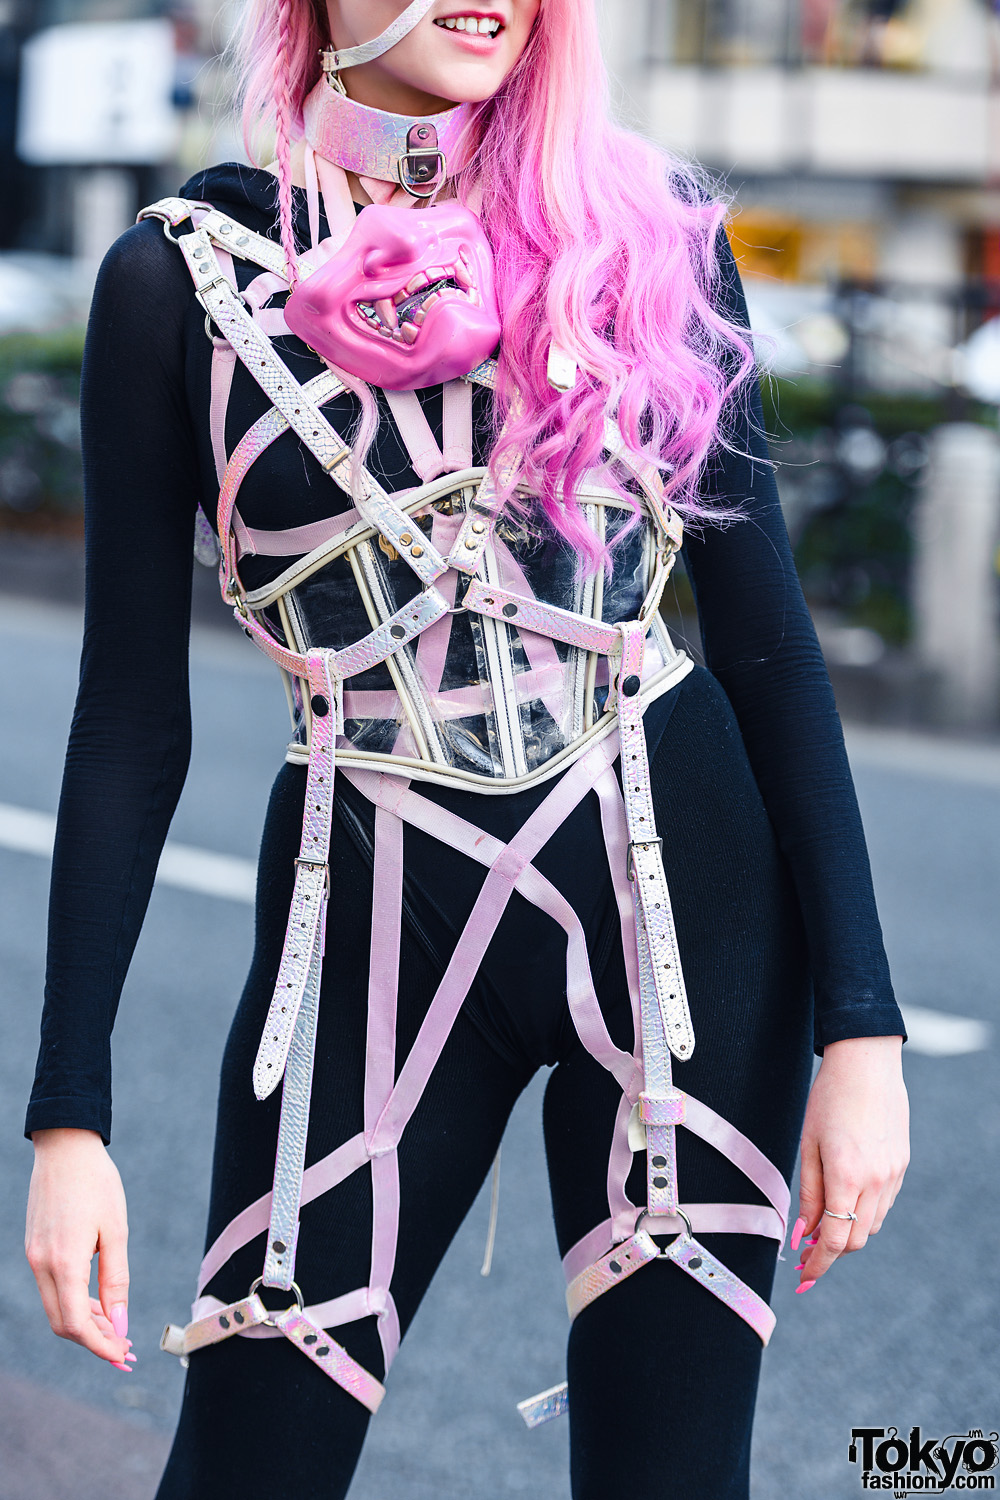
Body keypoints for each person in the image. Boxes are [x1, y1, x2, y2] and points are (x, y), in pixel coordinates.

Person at [23, 3, 910, 1497]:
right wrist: (68, 1116)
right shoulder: (175, 278)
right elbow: (127, 717)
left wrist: (864, 1028)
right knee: (244, 1471)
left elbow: (766, 637)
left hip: (682, 908)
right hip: (367, 910)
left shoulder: (647, 235)